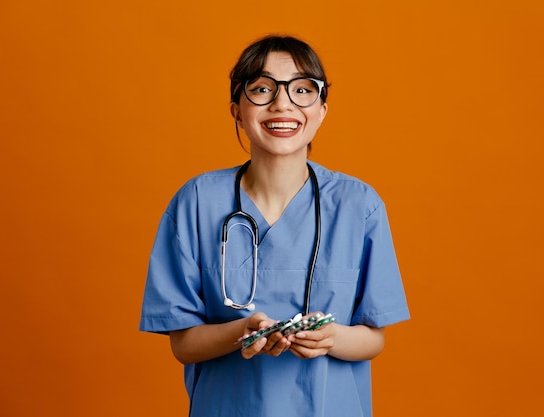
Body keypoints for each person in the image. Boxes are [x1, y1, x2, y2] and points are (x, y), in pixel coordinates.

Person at [140, 35, 409, 417]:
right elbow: (182, 343)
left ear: (321, 110)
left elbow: (373, 339)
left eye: (302, 89)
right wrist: (242, 330)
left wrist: (329, 337)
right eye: (262, 89)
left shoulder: (358, 204)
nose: (282, 103)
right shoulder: (197, 202)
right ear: (236, 109)